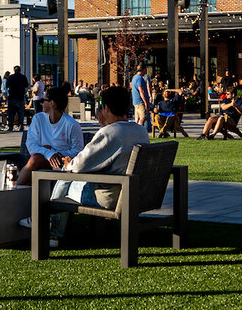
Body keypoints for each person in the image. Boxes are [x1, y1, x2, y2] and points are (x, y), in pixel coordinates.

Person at [37, 85, 149, 246]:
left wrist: (69, 164)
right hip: (136, 193)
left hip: (110, 198)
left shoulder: (110, 132)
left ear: (106, 108)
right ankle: (52, 230)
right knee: (70, 174)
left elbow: (79, 165)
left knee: (66, 175)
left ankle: (51, 231)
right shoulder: (140, 131)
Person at [14, 84, 85, 186]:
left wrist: (57, 153)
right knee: (36, 159)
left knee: (35, 159)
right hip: (41, 162)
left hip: (62, 165)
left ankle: (15, 191)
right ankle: (21, 193)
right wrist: (49, 153)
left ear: (52, 103)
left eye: (44, 100)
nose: (41, 103)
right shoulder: (38, 119)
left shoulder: (72, 125)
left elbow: (78, 151)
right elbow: (31, 144)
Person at [3, 65, 29, 130]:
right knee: (20, 113)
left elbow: (7, 86)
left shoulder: (11, 77)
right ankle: (20, 125)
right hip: (20, 97)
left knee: (11, 113)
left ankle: (10, 126)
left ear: (14, 70)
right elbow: (26, 86)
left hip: (12, 97)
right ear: (20, 70)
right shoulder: (23, 77)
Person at [130, 64, 153, 131]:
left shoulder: (134, 78)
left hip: (135, 101)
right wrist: (145, 102)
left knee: (137, 118)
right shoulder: (140, 78)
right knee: (143, 118)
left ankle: (134, 131)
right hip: (140, 101)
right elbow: (141, 91)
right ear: (143, 70)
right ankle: (139, 131)